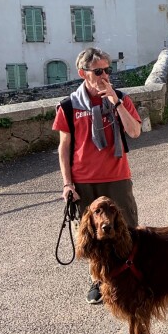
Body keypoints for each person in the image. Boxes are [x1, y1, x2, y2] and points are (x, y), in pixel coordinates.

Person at [52, 47, 143, 304]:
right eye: (98, 71)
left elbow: (134, 132)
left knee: (126, 228)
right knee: (92, 235)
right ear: (83, 73)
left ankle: (130, 275)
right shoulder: (69, 106)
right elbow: (65, 147)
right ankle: (98, 280)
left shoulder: (121, 99)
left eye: (108, 70)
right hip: (84, 180)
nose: (105, 75)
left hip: (116, 177)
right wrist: (67, 183)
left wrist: (115, 102)